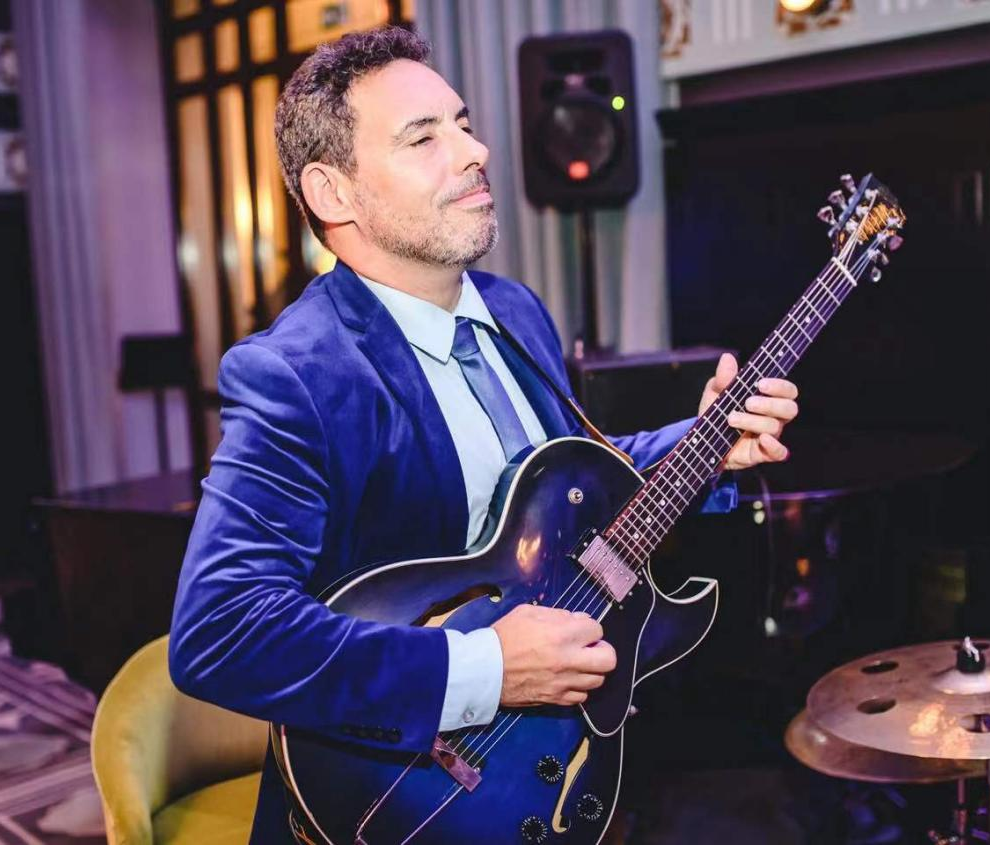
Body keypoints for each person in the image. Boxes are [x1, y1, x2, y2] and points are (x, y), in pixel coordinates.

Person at [168, 26, 799, 844]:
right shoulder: (296, 372)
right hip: (391, 799)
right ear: (332, 192)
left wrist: (707, 443)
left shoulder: (513, 310)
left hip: (541, 774)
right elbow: (222, 631)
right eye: (423, 137)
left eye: (463, 124)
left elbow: (565, 492)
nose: (477, 151)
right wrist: (487, 670)